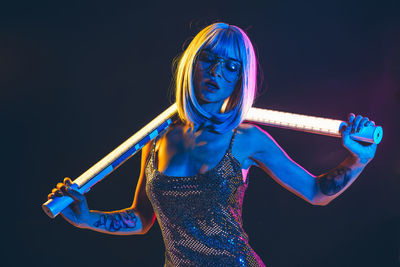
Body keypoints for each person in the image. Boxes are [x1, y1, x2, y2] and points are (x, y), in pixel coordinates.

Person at [48, 22, 377, 266]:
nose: (217, 72)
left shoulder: (246, 139)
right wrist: (86, 219)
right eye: (209, 59)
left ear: (240, 79)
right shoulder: (156, 138)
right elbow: (143, 218)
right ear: (193, 63)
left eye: (231, 66)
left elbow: (316, 192)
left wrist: (358, 160)